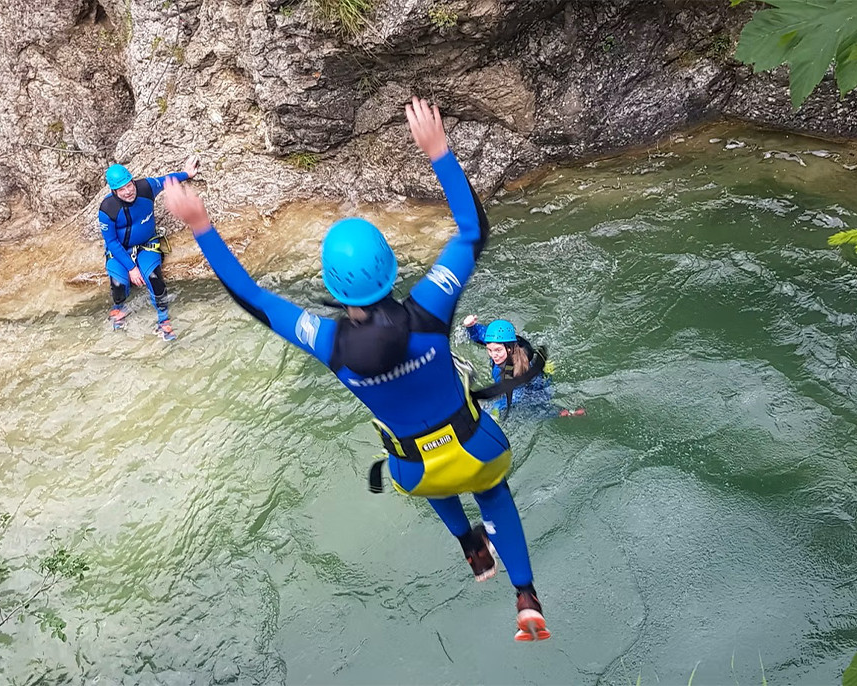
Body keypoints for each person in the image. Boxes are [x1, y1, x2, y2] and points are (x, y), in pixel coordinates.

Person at [163, 98, 550, 642]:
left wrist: (200, 225)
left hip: (416, 471)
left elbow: (253, 298)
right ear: (390, 269)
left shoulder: (327, 342)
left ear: (333, 288)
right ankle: (525, 595)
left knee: (421, 462)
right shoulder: (429, 309)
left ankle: (468, 545)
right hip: (475, 450)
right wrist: (438, 152)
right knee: (491, 490)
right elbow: (471, 233)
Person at [98, 156, 200, 340]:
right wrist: (131, 268)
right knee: (118, 286)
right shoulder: (108, 208)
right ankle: (119, 308)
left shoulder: (146, 187)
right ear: (114, 191)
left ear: (133, 181)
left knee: (154, 279)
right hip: (121, 249)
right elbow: (111, 241)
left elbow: (167, 180)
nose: (128, 191)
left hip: (147, 244)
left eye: (129, 185)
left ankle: (163, 320)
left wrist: (187, 173)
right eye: (122, 189)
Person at [461, 315, 582, 419]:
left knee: (533, 409)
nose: (493, 355)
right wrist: (471, 327)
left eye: (497, 350)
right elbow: (481, 334)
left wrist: (490, 410)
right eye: (489, 350)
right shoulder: (500, 342)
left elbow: (511, 398)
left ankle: (567, 413)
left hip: (533, 388)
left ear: (509, 349)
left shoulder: (515, 371)